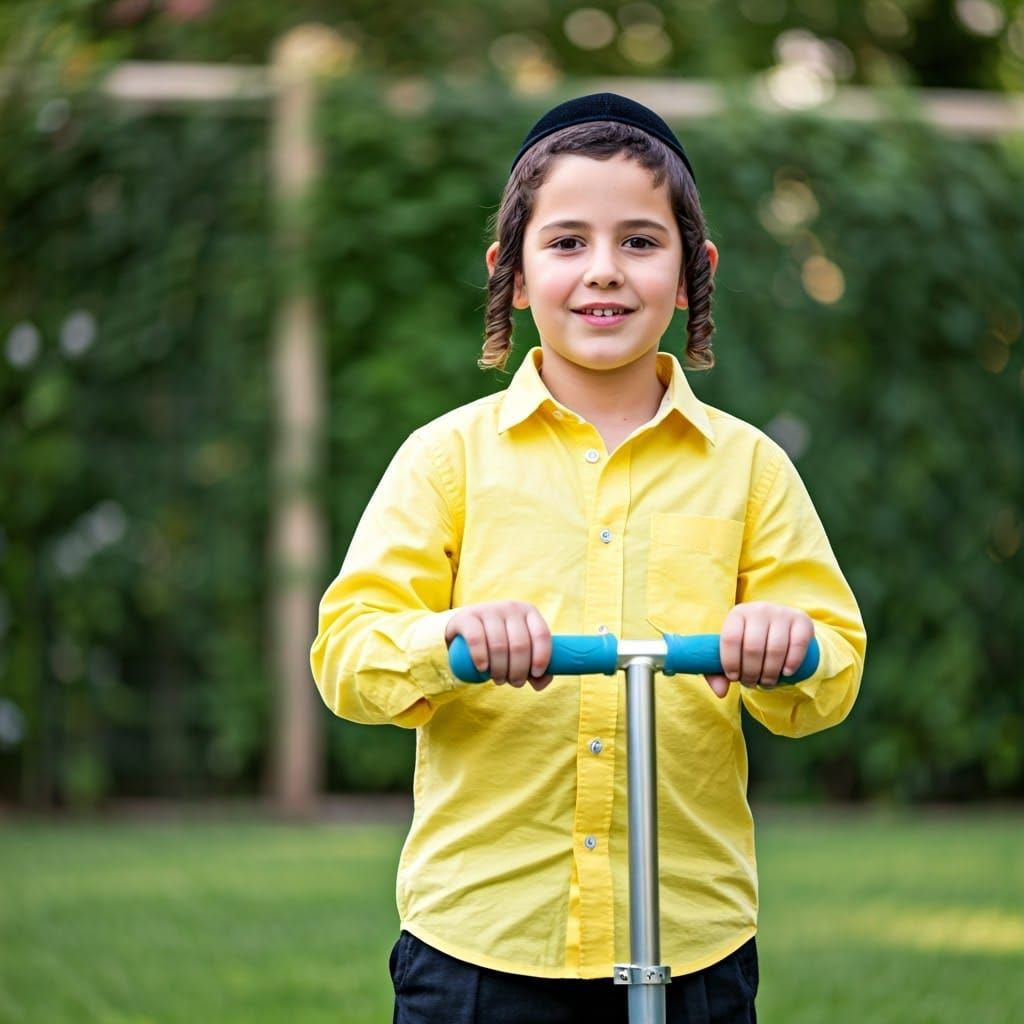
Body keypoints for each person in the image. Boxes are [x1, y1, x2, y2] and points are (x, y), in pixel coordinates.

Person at [311, 92, 866, 1024]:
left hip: (694, 945)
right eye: (566, 242)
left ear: (693, 270)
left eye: (641, 242)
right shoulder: (448, 459)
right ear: (513, 272)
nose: (603, 271)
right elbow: (347, 652)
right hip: (483, 945)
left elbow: (834, 664)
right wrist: (448, 638)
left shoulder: (749, 470)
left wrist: (787, 643)